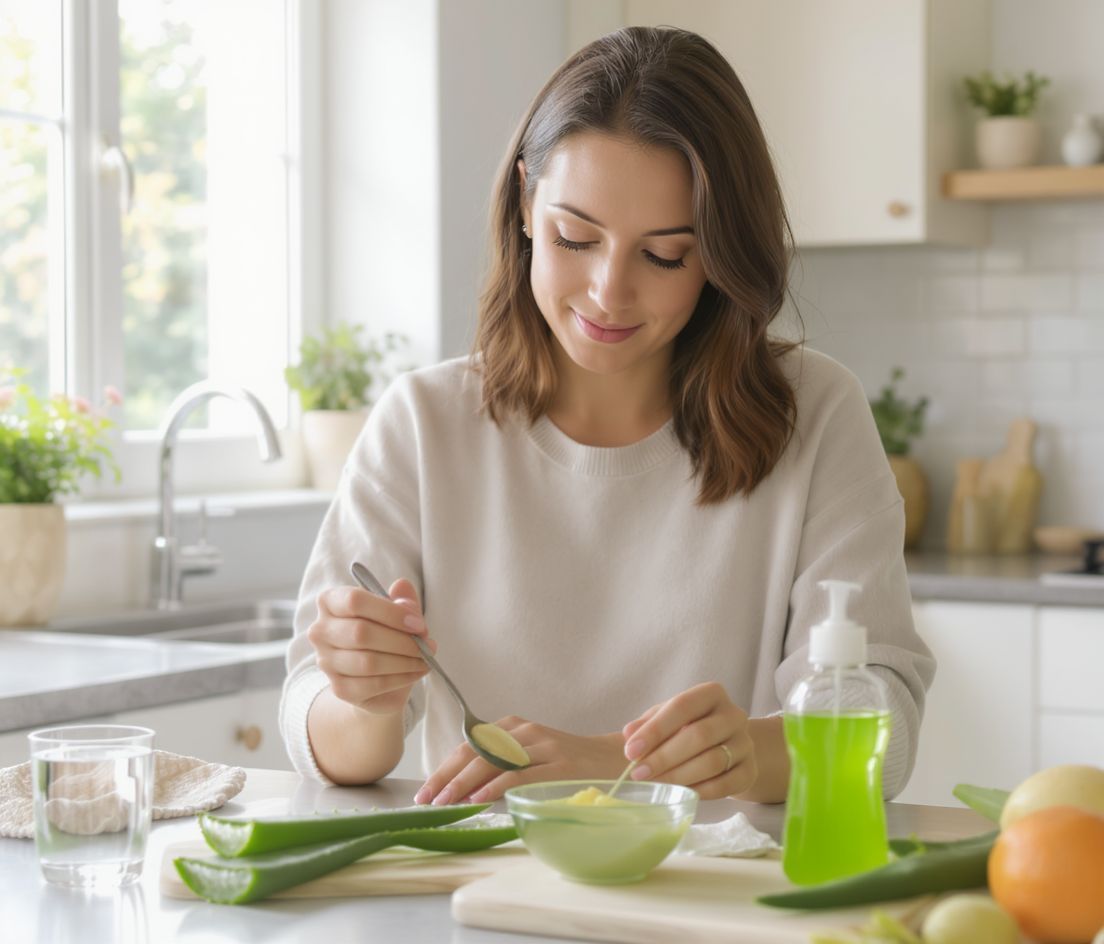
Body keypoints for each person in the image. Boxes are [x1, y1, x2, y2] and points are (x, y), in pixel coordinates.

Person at [279, 26, 935, 807]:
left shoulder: (815, 414)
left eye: (664, 255)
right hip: (477, 903)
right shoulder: (424, 424)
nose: (607, 293)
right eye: (575, 238)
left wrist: (741, 754)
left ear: (722, 256)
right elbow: (315, 728)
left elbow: (881, 718)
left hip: (715, 908)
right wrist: (365, 701)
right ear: (525, 204)